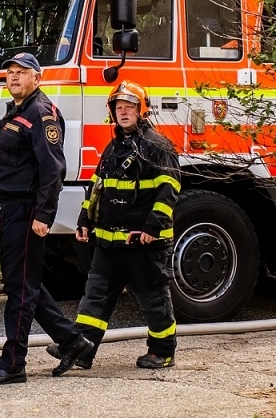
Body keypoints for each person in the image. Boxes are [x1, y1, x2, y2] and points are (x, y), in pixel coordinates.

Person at [0, 52, 93, 385]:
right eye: (10, 72)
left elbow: (52, 169)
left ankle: (13, 363)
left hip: (28, 211)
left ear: (36, 79)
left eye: (21, 73)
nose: (13, 77)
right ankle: (73, 342)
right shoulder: (18, 110)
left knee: (20, 290)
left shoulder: (41, 114)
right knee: (24, 285)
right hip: (12, 208)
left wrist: (44, 214)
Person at [52, 80, 180, 374]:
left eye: (129, 107)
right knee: (94, 297)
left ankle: (162, 352)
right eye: (118, 107)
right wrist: (84, 220)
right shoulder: (112, 149)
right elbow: (97, 189)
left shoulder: (158, 148)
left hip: (144, 244)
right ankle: (81, 349)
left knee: (153, 300)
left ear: (141, 110)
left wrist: (152, 227)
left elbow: (169, 190)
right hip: (109, 244)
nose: (123, 113)